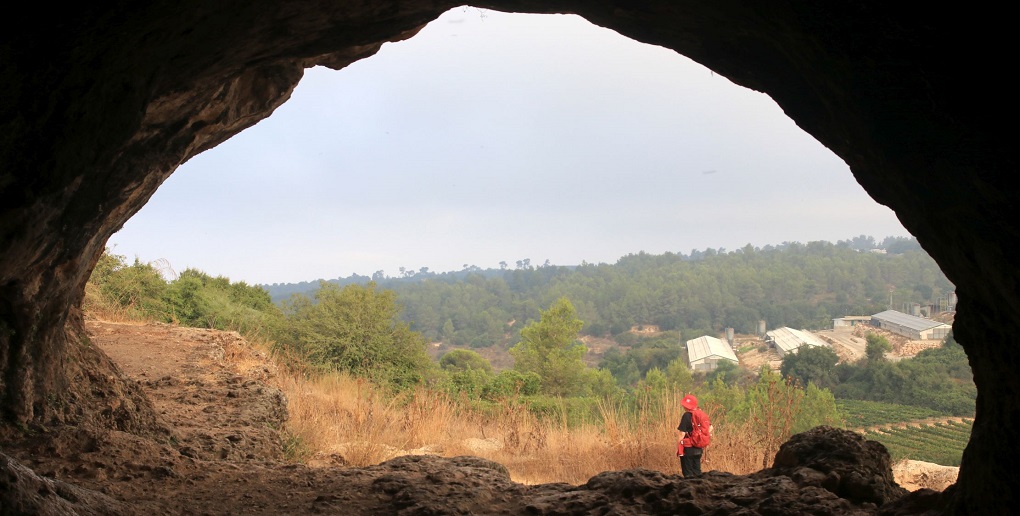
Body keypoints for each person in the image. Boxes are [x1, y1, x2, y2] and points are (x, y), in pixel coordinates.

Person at [676, 394, 704, 478]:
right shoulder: (701, 414)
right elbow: (710, 427)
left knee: (688, 474)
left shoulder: (686, 415)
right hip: (698, 448)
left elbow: (682, 434)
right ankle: (699, 489)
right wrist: (698, 436)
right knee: (697, 473)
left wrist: (678, 446)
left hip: (688, 448)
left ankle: (691, 490)